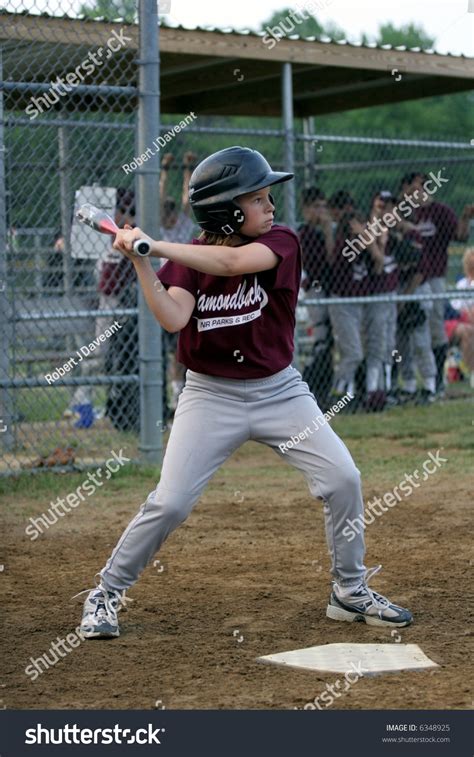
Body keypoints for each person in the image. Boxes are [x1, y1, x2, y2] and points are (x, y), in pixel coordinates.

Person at [75, 146, 412, 639]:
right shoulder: (187, 262)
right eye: (257, 198)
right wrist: (141, 263)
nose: (271, 206)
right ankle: (104, 593)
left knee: (343, 478)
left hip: (281, 391)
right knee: (169, 504)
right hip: (210, 396)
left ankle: (350, 590)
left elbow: (233, 264)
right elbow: (172, 318)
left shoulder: (282, 241)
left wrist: (156, 246)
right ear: (227, 210)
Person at [402, 172, 468, 397]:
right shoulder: (403, 212)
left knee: (435, 328)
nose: (413, 193)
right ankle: (410, 383)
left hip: (435, 276)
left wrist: (466, 219)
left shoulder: (440, 212)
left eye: (418, 188)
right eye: (409, 189)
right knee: (408, 330)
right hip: (408, 280)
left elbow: (459, 236)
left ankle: (437, 380)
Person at [327, 190, 385, 409]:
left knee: (359, 352)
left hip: (359, 305)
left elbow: (379, 265)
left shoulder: (366, 249)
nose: (363, 231)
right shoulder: (346, 246)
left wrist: (372, 242)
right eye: (358, 227)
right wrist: (367, 240)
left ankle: (349, 393)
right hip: (342, 303)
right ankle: (336, 394)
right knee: (353, 353)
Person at [298, 187, 334, 410]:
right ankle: (313, 389)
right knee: (320, 341)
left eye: (323, 207)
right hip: (313, 291)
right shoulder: (304, 234)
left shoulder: (325, 231)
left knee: (327, 342)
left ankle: (323, 389)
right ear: (306, 210)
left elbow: (333, 261)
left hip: (331, 290)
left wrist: (329, 230)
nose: (321, 212)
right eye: (316, 207)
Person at [446, 247, 474, 386]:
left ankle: (456, 367)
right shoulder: (462, 284)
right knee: (467, 331)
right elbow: (456, 309)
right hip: (463, 322)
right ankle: (458, 368)